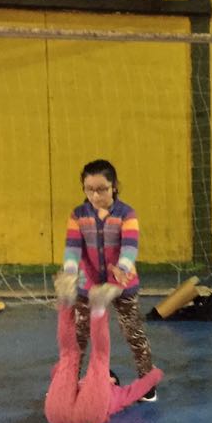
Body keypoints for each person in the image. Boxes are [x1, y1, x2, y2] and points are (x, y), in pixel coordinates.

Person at [63, 159, 157, 401]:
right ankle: (68, 384)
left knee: (133, 333)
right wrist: (70, 272)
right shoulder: (78, 215)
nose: (95, 196)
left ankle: (147, 384)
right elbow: (72, 247)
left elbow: (130, 246)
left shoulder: (127, 214)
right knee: (79, 336)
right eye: (89, 189)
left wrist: (122, 269)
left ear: (114, 186)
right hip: (88, 286)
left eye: (102, 189)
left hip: (122, 285)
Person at [45, 275, 163, 423]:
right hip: (69, 416)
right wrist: (154, 375)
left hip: (60, 413)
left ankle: (67, 304)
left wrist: (155, 375)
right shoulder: (117, 393)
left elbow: (57, 372)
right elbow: (136, 391)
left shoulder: (83, 384)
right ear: (113, 381)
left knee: (69, 355)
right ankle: (96, 308)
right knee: (91, 356)